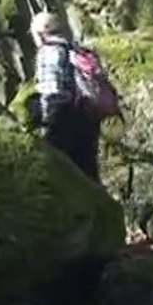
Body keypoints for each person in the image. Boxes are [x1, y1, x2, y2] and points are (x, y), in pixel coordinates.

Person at [30, 11, 101, 181]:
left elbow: (52, 88)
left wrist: (46, 118)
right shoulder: (74, 47)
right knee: (88, 170)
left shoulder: (48, 51)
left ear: (40, 33)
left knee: (56, 169)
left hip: (62, 114)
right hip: (87, 113)